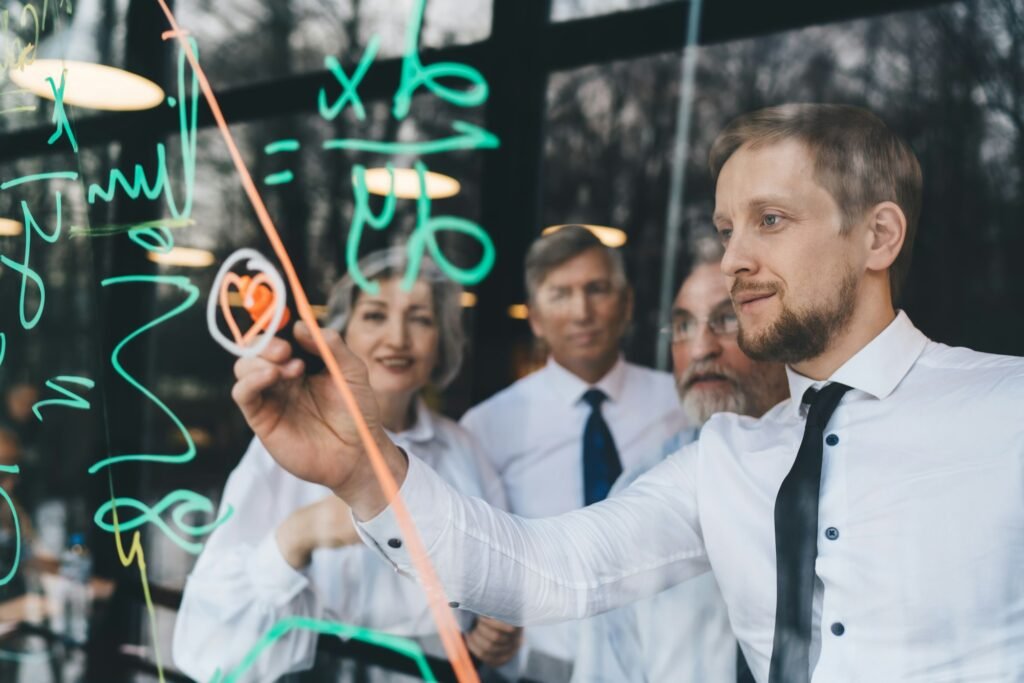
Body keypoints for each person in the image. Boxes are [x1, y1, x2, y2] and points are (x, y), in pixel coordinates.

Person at [230, 104, 1024, 682]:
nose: (737, 257)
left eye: (770, 220)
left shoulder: (1006, 412)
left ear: (878, 236)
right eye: (725, 229)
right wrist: (363, 473)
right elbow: (547, 569)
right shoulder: (724, 458)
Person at [173, 248, 522, 682]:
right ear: (341, 335)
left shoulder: (465, 452)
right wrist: (298, 534)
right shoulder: (283, 449)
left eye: (420, 318)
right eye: (375, 315)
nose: (397, 338)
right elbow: (208, 647)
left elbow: (506, 590)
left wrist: (499, 633)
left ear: (443, 341)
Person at [459, 225, 686, 678]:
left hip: (662, 661)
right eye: (560, 294)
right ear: (536, 319)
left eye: (597, 289)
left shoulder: (679, 405)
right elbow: (475, 557)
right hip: (543, 667)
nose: (582, 311)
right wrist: (479, 623)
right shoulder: (488, 425)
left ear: (626, 307)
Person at [573, 236, 787, 683]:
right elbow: (607, 665)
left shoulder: (838, 474)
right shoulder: (640, 490)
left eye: (727, 321)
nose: (700, 349)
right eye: (683, 327)